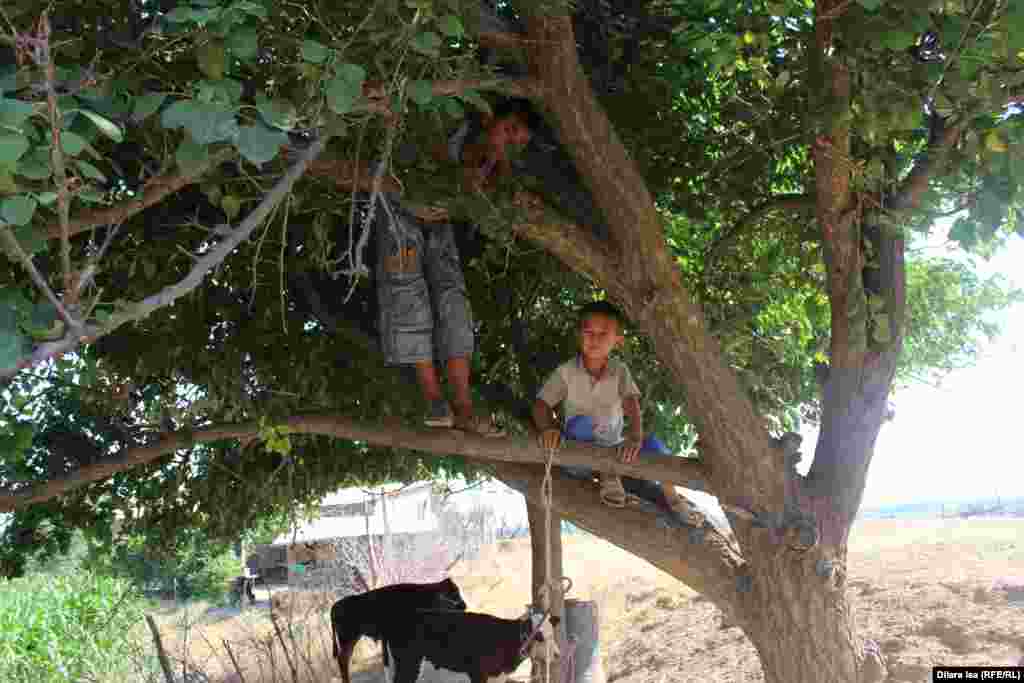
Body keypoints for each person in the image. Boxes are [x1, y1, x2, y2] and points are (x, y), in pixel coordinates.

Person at [375, 99, 539, 435]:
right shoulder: (448, 122)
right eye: (507, 131)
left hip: (439, 224)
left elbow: (487, 202)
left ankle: (463, 407)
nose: (505, 145)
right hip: (400, 213)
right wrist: (470, 179)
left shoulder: (493, 166)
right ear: (490, 118)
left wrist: (493, 176)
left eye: (516, 144)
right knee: (407, 293)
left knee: (453, 301)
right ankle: (435, 400)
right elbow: (431, 172)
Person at [531, 301, 705, 525]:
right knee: (581, 423)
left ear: (618, 341)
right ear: (579, 336)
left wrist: (634, 437)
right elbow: (541, 405)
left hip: (614, 448)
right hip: (579, 454)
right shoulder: (566, 372)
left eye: (603, 334)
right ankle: (608, 476)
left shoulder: (619, 370)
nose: (594, 338)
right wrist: (548, 429)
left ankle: (674, 500)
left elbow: (631, 403)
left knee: (654, 446)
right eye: (588, 332)